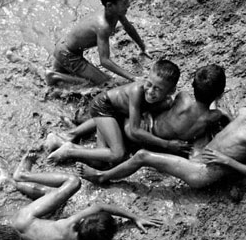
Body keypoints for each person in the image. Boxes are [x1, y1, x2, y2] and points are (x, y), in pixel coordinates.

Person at [77, 79, 246, 188]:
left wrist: (228, 161)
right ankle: (96, 126)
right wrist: (221, 114)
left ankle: (103, 176)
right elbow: (231, 131)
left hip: (202, 171)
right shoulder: (242, 112)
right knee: (205, 123)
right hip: (202, 152)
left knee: (142, 156)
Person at [0, 152, 161, 240]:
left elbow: (100, 206)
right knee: (55, 197)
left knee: (73, 182)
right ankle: (20, 179)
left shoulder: (68, 225)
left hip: (22, 221)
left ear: (80, 224)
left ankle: (22, 177)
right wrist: (134, 217)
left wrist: (134, 216)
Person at [52, 63, 228, 149]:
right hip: (139, 130)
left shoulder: (183, 97)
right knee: (115, 117)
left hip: (140, 126)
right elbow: (222, 113)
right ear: (219, 94)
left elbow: (174, 102)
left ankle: (76, 133)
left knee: (118, 114)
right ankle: (75, 137)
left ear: (193, 86)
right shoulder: (214, 117)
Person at [45, 59, 181, 166]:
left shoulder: (166, 100)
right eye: (149, 84)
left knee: (99, 161)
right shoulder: (137, 91)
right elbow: (134, 130)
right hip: (103, 106)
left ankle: (60, 140)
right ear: (146, 77)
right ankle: (70, 150)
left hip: (115, 113)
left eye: (158, 89)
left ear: (171, 91)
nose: (150, 91)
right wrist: (166, 144)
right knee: (117, 154)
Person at [46, 0, 149, 87]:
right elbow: (104, 61)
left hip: (65, 47)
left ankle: (60, 73)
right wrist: (132, 77)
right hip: (67, 54)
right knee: (106, 83)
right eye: (124, 2)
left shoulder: (116, 13)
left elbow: (128, 28)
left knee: (81, 75)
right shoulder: (103, 26)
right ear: (109, 5)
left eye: (128, 0)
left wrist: (143, 47)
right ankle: (54, 76)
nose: (128, 4)